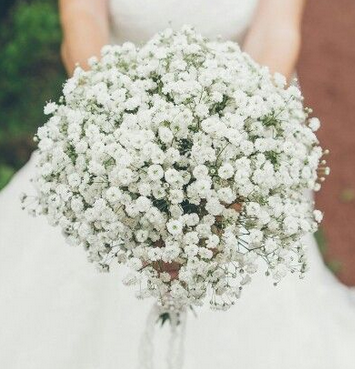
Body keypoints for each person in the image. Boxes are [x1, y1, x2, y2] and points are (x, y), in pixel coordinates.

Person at [0, 1, 355, 368]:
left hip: (237, 129)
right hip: (117, 129)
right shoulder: (112, 128)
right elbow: (82, 17)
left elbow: (276, 31)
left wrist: (236, 151)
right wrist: (112, 126)